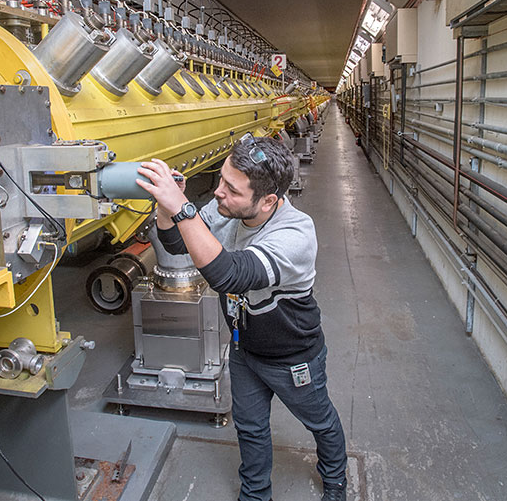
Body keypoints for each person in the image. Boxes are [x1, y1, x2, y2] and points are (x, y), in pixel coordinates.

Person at [136, 134, 348, 501]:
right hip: (244, 349)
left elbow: (229, 275)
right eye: (221, 180)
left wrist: (183, 208)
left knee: (320, 422)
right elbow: (176, 245)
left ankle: (335, 482)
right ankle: (255, 495)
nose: (219, 193)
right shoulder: (224, 213)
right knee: (250, 429)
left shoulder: (296, 233)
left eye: (231, 189)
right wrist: (166, 208)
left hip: (292, 356)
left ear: (268, 201)